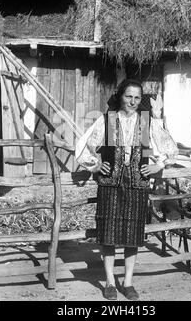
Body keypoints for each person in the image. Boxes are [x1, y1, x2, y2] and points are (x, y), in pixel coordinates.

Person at [75, 79, 178, 300]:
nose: (132, 101)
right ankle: (110, 282)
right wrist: (95, 164)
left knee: (133, 235)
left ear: (141, 101)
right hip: (110, 183)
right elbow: (84, 145)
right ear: (120, 96)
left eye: (137, 98)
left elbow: (169, 146)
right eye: (128, 96)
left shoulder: (145, 122)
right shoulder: (108, 121)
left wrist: (158, 165)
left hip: (137, 183)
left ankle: (128, 282)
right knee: (109, 234)